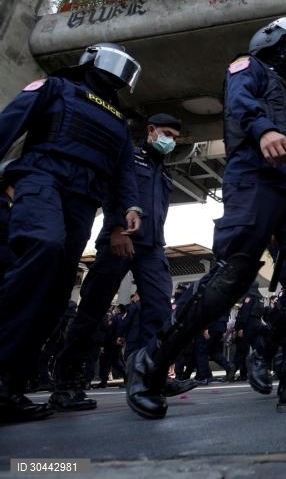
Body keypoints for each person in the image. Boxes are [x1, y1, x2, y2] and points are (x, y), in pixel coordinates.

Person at [124, 17, 286, 419]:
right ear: (270, 42)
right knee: (231, 274)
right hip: (255, 176)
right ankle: (150, 362)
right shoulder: (246, 67)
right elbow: (239, 102)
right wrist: (264, 129)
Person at [0, 42, 143, 423]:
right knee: (43, 248)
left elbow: (123, 173)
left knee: (56, 291)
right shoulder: (55, 87)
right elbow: (8, 123)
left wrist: (126, 212)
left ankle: (10, 386)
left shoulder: (117, 120)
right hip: (41, 179)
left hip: (84, 199)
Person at [48, 113, 191, 411]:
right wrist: (115, 228)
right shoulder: (129, 159)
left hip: (152, 248)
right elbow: (111, 193)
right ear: (150, 131)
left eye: (176, 138)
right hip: (120, 238)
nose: (171, 141)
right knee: (93, 309)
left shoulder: (164, 173)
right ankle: (66, 382)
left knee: (159, 313)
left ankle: (150, 376)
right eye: (167, 133)